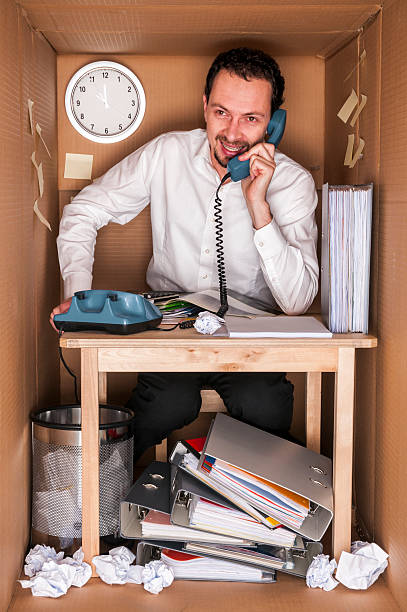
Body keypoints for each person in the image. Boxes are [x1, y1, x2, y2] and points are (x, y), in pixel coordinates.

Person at [51, 47, 318, 459]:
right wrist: (79, 295)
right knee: (165, 403)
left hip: (251, 339)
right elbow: (82, 211)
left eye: (252, 119)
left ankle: (247, 512)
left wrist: (258, 205)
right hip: (170, 330)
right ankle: (97, 504)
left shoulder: (294, 183)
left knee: (265, 405)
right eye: (221, 113)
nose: (232, 133)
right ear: (204, 106)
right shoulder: (167, 153)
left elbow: (298, 301)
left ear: (274, 121)